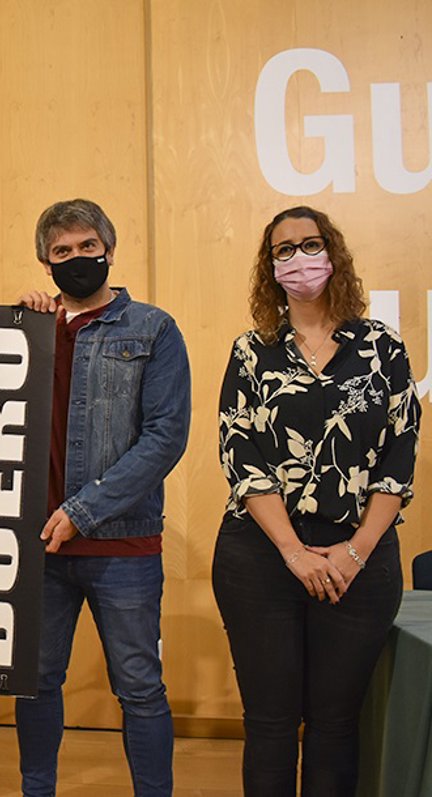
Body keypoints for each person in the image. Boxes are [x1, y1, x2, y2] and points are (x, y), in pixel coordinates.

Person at [213, 206, 420, 796]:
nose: (299, 258)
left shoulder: (382, 347)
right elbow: (242, 456)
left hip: (360, 560)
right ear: (270, 266)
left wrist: (354, 553)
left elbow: (398, 460)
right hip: (261, 558)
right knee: (271, 724)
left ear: (333, 253)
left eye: (310, 244)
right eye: (284, 250)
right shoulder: (252, 351)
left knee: (336, 724)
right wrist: (294, 552)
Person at [15, 199, 190, 796]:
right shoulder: (25, 329)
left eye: (87, 246)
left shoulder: (153, 328)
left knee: (140, 687)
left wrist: (81, 511)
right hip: (39, 547)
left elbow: (165, 437)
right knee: (36, 681)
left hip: (124, 545)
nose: (77, 258)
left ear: (109, 251)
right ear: (46, 264)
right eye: (62, 251)